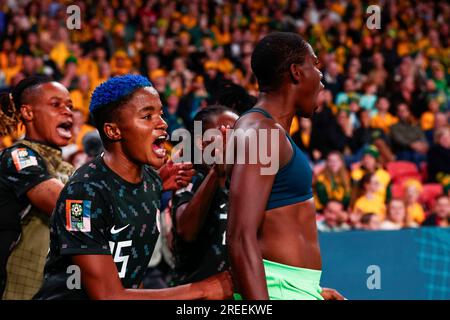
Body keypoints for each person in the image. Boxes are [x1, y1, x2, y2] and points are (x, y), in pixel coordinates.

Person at [33, 75, 231, 300]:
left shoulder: (150, 180)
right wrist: (203, 289)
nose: (162, 124)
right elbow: (107, 296)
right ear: (113, 131)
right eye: (147, 116)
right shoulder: (83, 194)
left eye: (161, 114)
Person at [227, 32, 343, 300]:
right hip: (277, 289)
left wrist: (310, 291)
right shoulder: (261, 132)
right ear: (296, 72)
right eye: (315, 65)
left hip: (293, 287)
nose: (322, 79)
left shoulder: (269, 131)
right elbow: (240, 238)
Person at [0, 75, 75, 299]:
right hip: (16, 288)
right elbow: (68, 208)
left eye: (70, 106)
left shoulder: (69, 169)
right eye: (56, 104)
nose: (67, 111)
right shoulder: (18, 156)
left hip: (53, 288)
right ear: (28, 113)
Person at [170, 105, 238, 286]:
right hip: (194, 294)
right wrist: (216, 173)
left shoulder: (245, 183)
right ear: (201, 142)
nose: (231, 139)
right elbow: (187, 230)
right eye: (224, 133)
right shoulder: (188, 175)